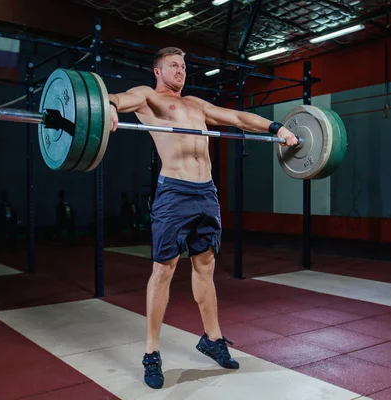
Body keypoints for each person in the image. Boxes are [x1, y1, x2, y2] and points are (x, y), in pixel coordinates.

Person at [108, 47, 299, 390]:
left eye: (183, 66)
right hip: (174, 192)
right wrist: (108, 107)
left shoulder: (196, 104)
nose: (180, 71)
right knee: (164, 269)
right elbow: (118, 98)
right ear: (158, 70)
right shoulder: (148, 97)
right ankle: (151, 353)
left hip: (206, 193)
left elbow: (238, 118)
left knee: (205, 266)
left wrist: (278, 129)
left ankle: (213, 339)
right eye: (173, 66)